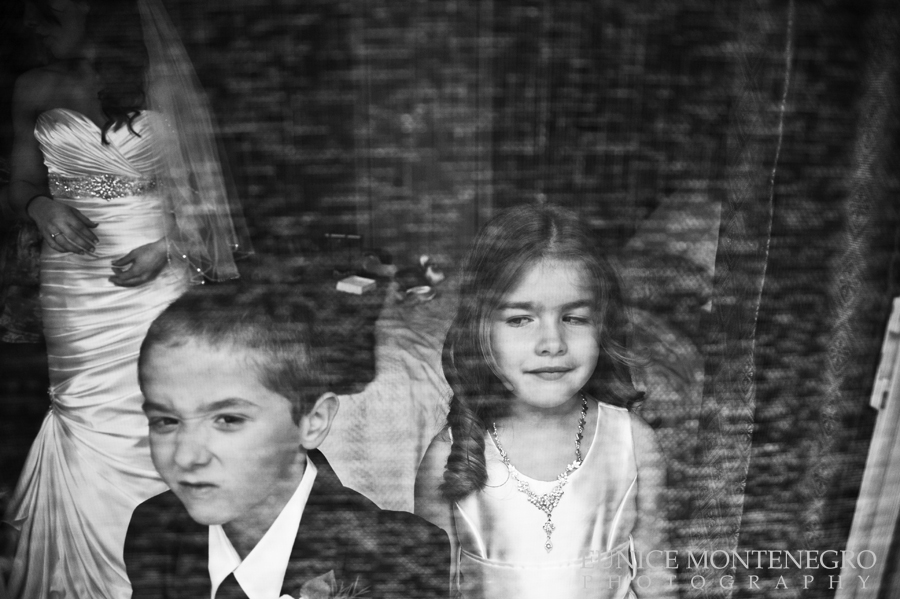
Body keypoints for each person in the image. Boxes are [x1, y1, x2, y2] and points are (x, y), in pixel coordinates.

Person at [2, 0, 246, 597]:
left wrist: (168, 245)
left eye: (52, 11)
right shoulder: (33, 86)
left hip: (159, 273)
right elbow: (20, 185)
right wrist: (42, 206)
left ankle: (168, 568)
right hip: (75, 279)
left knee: (161, 405)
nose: (36, 22)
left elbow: (205, 192)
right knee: (84, 410)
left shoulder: (165, 85)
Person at [414, 203, 674, 598]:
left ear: (603, 326)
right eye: (520, 319)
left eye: (574, 318)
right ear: (480, 329)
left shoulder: (634, 444)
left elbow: (655, 573)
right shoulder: (446, 459)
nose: (552, 343)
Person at [125, 285, 451, 599]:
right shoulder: (154, 529)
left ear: (313, 421)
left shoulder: (401, 561)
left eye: (228, 419)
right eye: (166, 421)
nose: (186, 456)